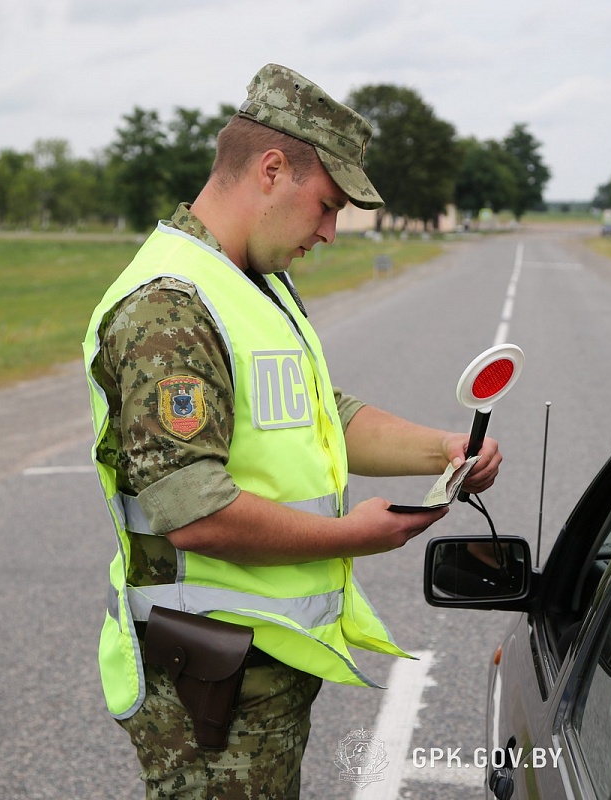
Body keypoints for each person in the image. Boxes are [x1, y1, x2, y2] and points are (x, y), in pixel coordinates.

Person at [82, 63, 502, 799]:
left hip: (255, 666)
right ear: (272, 170)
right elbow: (195, 512)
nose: (333, 231)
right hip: (209, 675)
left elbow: (321, 417)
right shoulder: (170, 309)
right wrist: (357, 536)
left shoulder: (253, 282)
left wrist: (442, 451)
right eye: (327, 205)